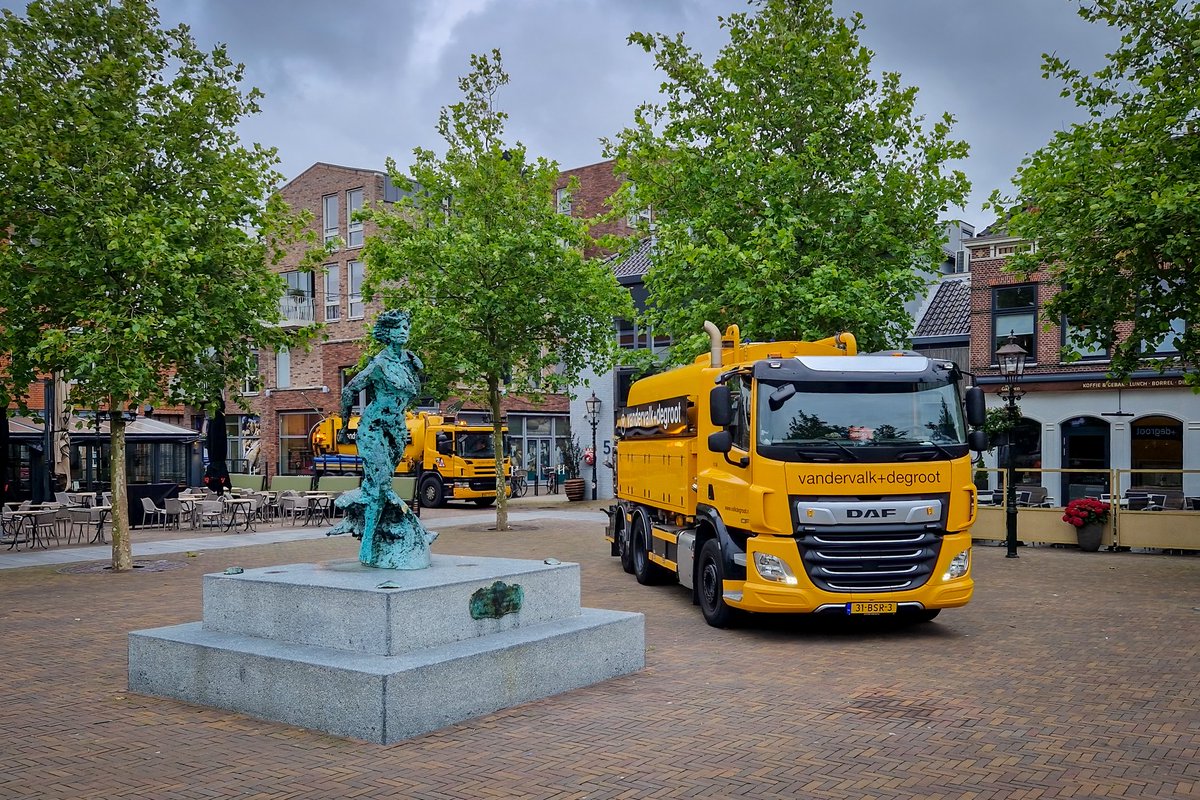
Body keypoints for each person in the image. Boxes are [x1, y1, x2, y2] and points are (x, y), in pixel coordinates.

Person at [327, 310, 436, 569]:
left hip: (397, 429)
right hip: (373, 426)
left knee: (383, 485)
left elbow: (411, 394)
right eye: (397, 327)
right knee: (380, 485)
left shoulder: (410, 362)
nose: (403, 331)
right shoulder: (378, 364)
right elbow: (349, 389)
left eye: (406, 327)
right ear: (387, 333)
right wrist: (343, 425)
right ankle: (368, 546)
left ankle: (402, 531)